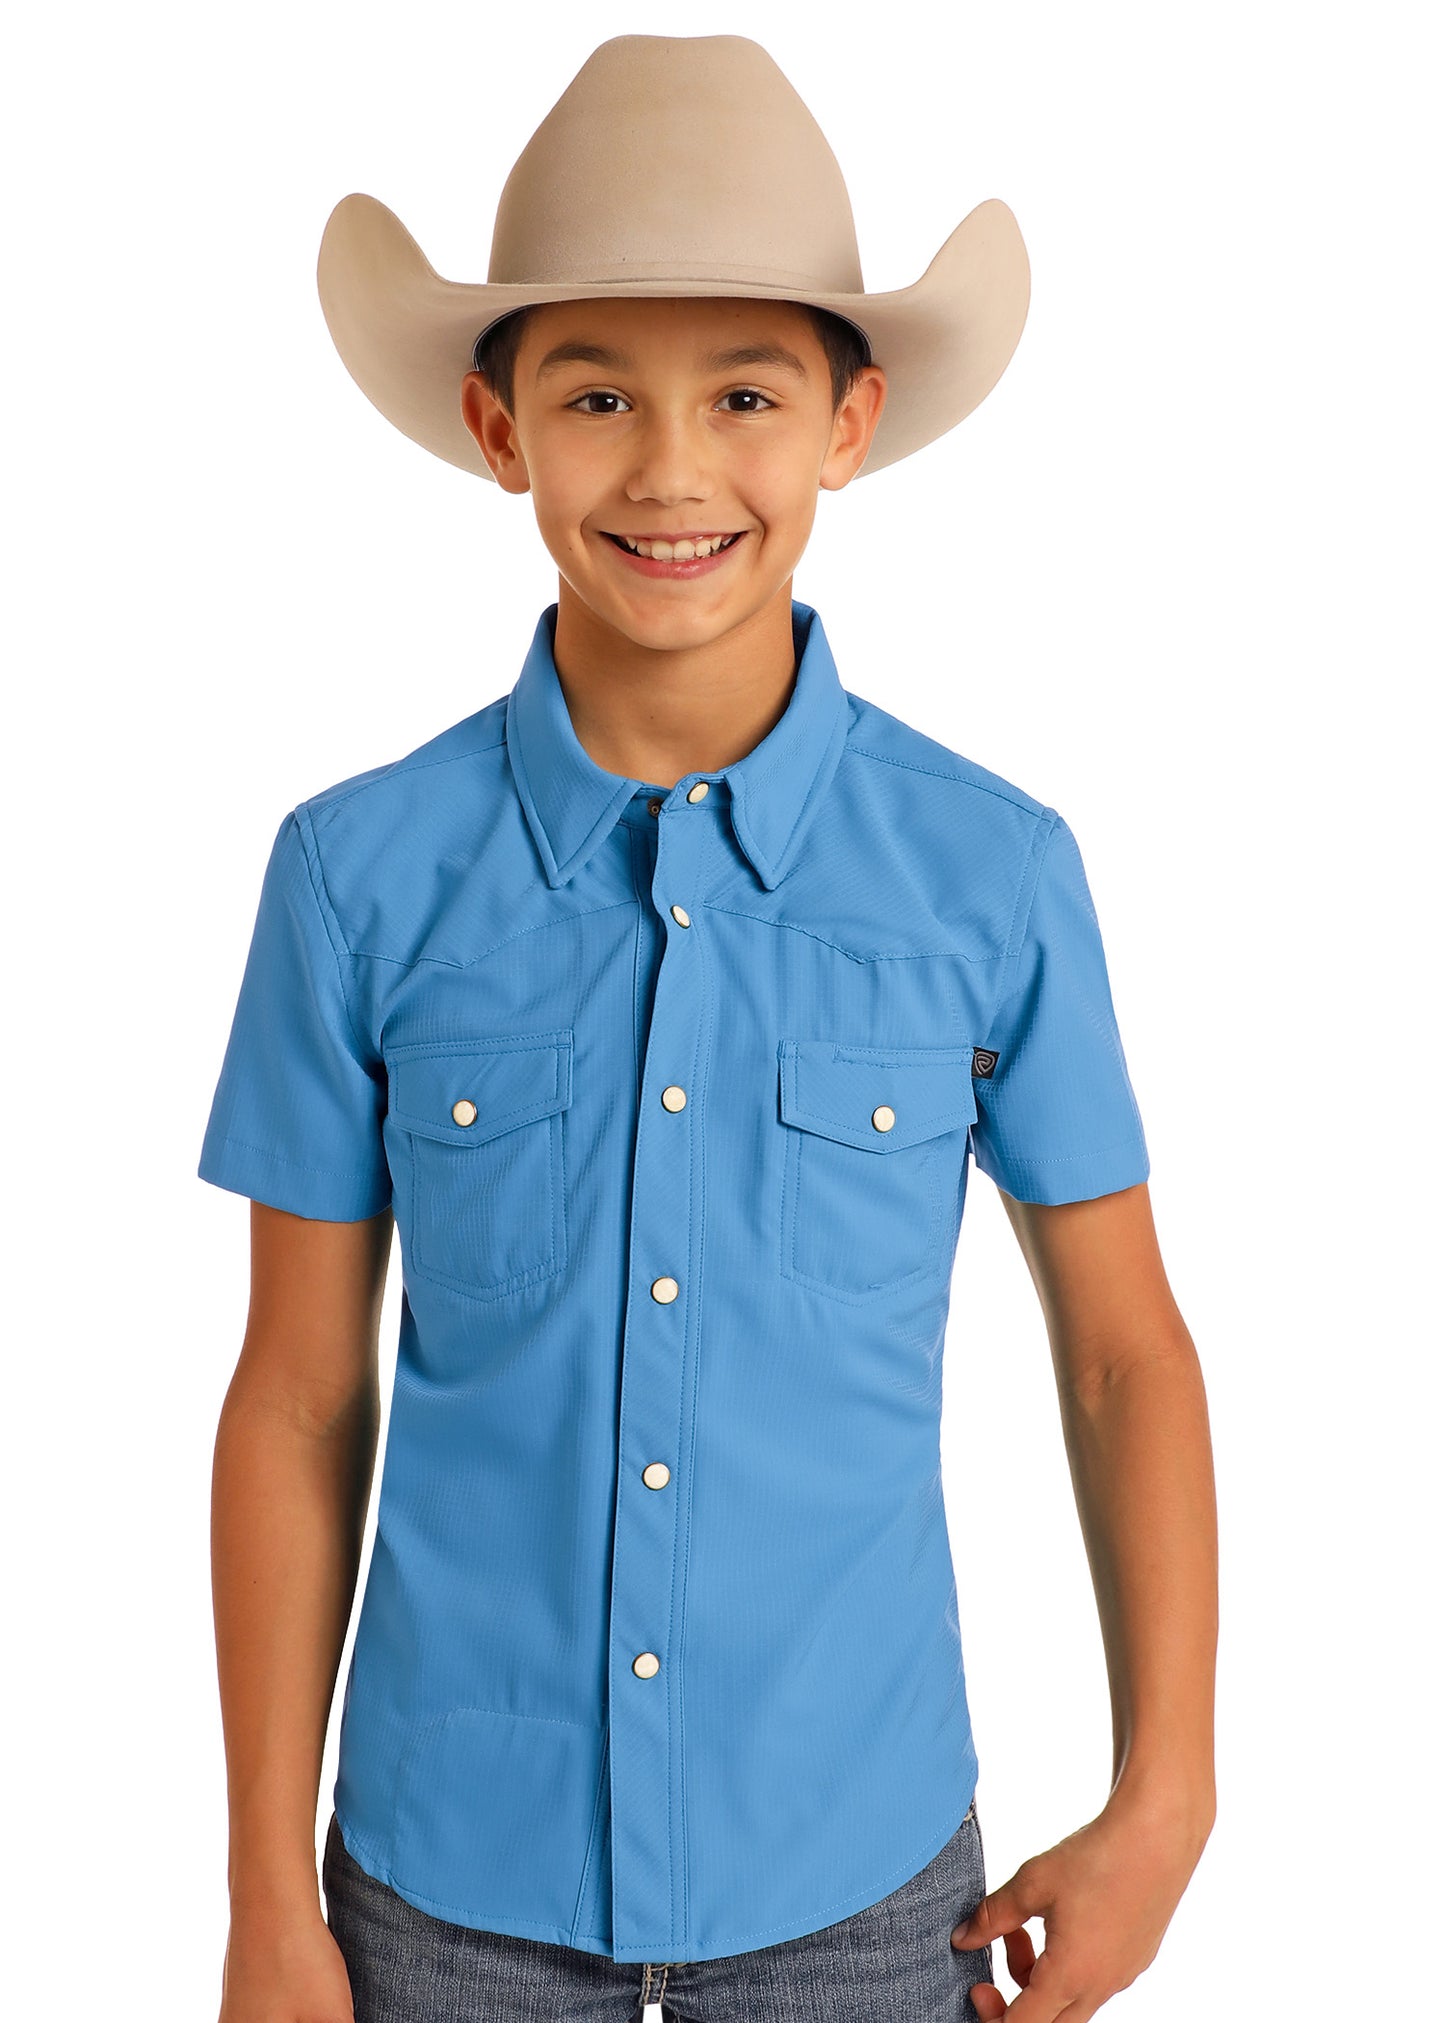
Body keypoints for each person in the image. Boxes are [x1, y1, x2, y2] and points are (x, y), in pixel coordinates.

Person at [201, 33, 1217, 2023]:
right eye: (598, 396)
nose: (670, 470)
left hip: (863, 1901)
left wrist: (1162, 1802)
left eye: (742, 394)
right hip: (438, 1906)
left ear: (849, 421)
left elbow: (1123, 1355)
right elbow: (299, 1396)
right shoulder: (357, 875)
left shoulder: (992, 875)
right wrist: (261, 1895)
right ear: (501, 428)